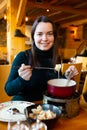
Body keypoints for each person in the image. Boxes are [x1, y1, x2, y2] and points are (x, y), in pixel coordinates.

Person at [5, 16, 78, 102]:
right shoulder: (23, 57)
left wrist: (67, 75)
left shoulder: (56, 57)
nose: (45, 38)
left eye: (49, 34)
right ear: (33, 37)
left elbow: (56, 82)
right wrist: (21, 79)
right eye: (40, 34)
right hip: (23, 106)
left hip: (48, 106)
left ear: (54, 37)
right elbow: (8, 90)